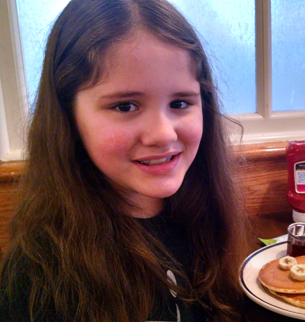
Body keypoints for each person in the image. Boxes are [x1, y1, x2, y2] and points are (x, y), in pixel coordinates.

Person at [0, 0, 251, 321]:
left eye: (180, 102)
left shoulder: (205, 216)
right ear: (68, 116)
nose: (162, 134)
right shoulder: (41, 273)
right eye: (125, 106)